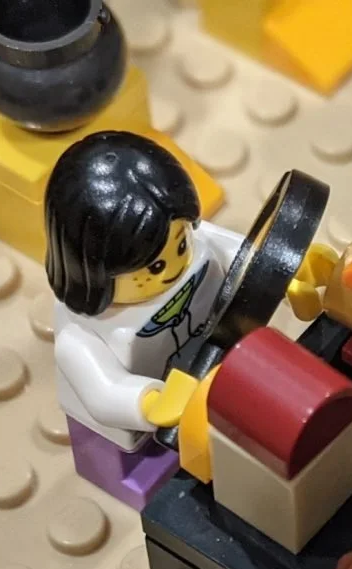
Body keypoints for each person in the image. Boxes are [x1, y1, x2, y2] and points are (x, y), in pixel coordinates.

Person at [45, 130, 243, 509]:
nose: (171, 268)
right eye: (151, 267)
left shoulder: (197, 249)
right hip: (138, 427)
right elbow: (102, 390)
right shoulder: (81, 334)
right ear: (92, 272)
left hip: (207, 378)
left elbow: (240, 256)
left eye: (180, 244)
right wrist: (150, 402)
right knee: (133, 463)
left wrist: (286, 271)